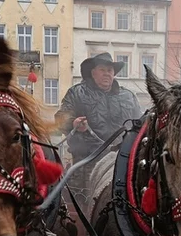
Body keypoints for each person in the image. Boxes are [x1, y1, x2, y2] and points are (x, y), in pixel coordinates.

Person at [56, 52, 142, 207]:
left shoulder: (128, 97)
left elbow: (140, 124)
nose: (107, 73)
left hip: (121, 162)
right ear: (93, 72)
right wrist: (73, 122)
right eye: (102, 69)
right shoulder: (77, 93)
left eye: (110, 70)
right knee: (83, 209)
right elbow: (60, 118)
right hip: (87, 162)